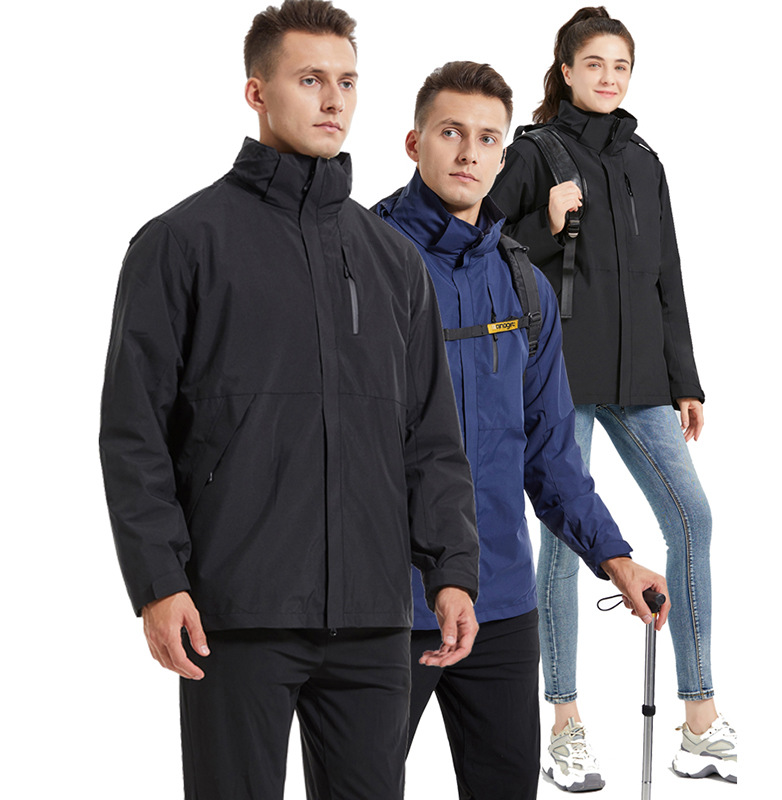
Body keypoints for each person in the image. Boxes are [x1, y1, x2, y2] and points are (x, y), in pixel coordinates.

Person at [98, 3, 481, 798]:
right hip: (237, 609)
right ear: (257, 92)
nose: (334, 100)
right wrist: (160, 581)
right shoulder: (181, 243)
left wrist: (452, 571)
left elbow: (430, 438)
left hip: (373, 619)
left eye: (347, 82)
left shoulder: (391, 261)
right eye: (310, 80)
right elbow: (134, 432)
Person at [374, 61, 670, 800]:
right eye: (450, 132)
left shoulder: (522, 284)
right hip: (386, 605)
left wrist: (615, 558)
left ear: (504, 156)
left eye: (487, 139)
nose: (468, 153)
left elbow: (550, 452)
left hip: (501, 600)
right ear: (413, 142)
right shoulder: (365, 266)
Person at [489, 6, 737, 788]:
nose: (608, 77)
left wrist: (684, 378)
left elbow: (668, 274)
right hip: (558, 375)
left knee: (692, 517)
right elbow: (481, 243)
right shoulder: (534, 153)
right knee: (565, 540)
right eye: (593, 63)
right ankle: (564, 724)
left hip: (641, 381)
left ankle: (700, 721)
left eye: (620, 66)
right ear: (565, 69)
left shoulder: (644, 161)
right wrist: (542, 221)